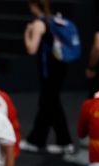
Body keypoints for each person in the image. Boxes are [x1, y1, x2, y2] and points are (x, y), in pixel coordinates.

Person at [22, 0, 72, 155]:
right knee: (50, 104)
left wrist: (27, 32)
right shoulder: (53, 20)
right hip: (59, 68)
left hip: (49, 71)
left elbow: (31, 49)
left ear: (33, 6)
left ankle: (46, 141)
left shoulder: (38, 24)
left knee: (49, 104)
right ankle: (48, 140)